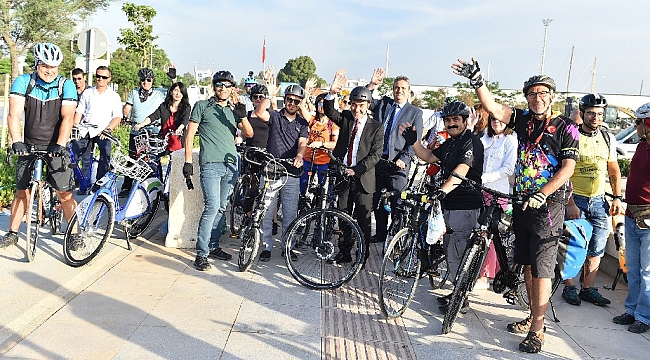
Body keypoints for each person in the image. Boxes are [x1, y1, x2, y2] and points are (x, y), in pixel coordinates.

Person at [452, 58, 579, 353]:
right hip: (522, 202)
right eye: (532, 93)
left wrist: (543, 192)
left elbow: (568, 168)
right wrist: (477, 81)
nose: (538, 98)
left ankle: (538, 330)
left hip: (548, 207)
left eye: (543, 93)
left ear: (552, 96)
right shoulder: (522, 120)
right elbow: (495, 108)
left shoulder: (565, 127)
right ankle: (533, 317)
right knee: (528, 265)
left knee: (543, 267)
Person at [401, 100, 484, 312]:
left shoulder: (471, 142)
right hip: (448, 203)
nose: (451, 124)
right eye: (447, 120)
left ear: (465, 121)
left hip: (465, 205)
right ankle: (458, 292)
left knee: (457, 252)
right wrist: (413, 141)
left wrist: (444, 189)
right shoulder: (451, 142)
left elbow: (462, 169)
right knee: (449, 250)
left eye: (455, 120)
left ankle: (461, 299)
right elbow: (429, 156)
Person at [1, 43, 78, 248]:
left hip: (56, 147)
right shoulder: (24, 82)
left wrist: (60, 144)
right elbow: (14, 114)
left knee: (64, 193)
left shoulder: (65, 85)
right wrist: (17, 141)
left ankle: (74, 233)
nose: (50, 70)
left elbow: (68, 118)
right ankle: (13, 232)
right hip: (29, 145)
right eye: (45, 65)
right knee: (22, 191)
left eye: (54, 66)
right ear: (36, 64)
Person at [183, 70, 253, 271]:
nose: (223, 88)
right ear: (214, 87)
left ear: (232, 89)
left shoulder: (233, 110)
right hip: (210, 164)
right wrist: (188, 161)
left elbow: (249, 133)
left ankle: (213, 246)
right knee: (212, 207)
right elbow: (189, 136)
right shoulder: (202, 106)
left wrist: (242, 116)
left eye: (227, 85)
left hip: (231, 165)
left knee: (223, 208)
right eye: (219, 84)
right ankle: (201, 253)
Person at [563, 94, 623, 306]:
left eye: (599, 114)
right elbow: (564, 170)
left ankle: (587, 288)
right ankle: (569, 286)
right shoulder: (572, 135)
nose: (595, 117)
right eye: (590, 113)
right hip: (574, 198)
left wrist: (616, 197)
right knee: (572, 244)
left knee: (597, 246)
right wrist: (569, 203)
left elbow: (613, 168)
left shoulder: (608, 137)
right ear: (582, 113)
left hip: (598, 200)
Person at [324, 71, 383, 266]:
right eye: (354, 105)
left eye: (361, 105)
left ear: (368, 106)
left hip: (363, 178)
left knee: (364, 220)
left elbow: (375, 155)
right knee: (343, 216)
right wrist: (331, 93)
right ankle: (344, 251)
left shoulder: (376, 127)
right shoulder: (347, 119)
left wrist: (356, 170)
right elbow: (330, 112)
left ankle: (362, 254)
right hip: (343, 175)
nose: (357, 109)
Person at [366, 68, 423, 245]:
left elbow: (415, 141)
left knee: (397, 201)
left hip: (398, 163)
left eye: (403, 88)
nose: (399, 91)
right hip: (379, 160)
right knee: (377, 200)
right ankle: (381, 233)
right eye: (397, 88)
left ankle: (396, 238)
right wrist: (372, 84)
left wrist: (404, 159)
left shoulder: (415, 112)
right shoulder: (384, 104)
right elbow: (365, 100)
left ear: (409, 91)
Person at [254, 83, 309, 262]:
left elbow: (302, 143)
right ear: (284, 100)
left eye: (296, 101)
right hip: (271, 170)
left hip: (291, 173)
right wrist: (269, 94)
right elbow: (260, 113)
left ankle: (288, 246)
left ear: (300, 103)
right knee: (267, 213)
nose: (292, 103)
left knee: (290, 214)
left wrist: (300, 155)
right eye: (289, 100)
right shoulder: (275, 116)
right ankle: (266, 246)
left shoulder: (302, 123)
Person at [611, 104, 650, 334]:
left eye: (638, 122)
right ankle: (632, 310)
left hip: (648, 218)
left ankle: (644, 317)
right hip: (632, 215)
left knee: (647, 271)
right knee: (633, 269)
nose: (634, 126)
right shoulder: (641, 147)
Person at [475, 112, 518, 289]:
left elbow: (508, 168)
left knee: (490, 235)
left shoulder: (510, 140)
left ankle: (486, 276)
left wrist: (484, 177)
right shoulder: (486, 138)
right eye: (493, 119)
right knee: (480, 233)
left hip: (497, 192)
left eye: (500, 120)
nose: (496, 123)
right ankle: (494, 270)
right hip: (480, 191)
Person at [72, 66, 123, 195]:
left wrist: (108, 129)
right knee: (76, 154)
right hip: (86, 128)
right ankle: (82, 183)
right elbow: (80, 111)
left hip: (104, 130)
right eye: (98, 76)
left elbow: (118, 116)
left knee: (105, 156)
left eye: (104, 77)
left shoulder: (114, 96)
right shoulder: (88, 93)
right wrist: (74, 126)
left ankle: (100, 185)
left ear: (109, 79)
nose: (100, 79)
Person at [120, 67, 166, 197]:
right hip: (136, 130)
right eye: (142, 80)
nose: (145, 82)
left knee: (153, 159)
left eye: (148, 80)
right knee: (132, 158)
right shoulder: (134, 92)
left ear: (153, 81)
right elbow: (128, 107)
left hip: (153, 130)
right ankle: (126, 187)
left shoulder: (160, 93)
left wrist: (173, 78)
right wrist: (125, 115)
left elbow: (176, 93)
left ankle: (158, 186)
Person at [299, 93, 340, 194]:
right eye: (319, 104)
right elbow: (301, 107)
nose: (321, 107)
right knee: (303, 187)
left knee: (326, 191)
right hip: (308, 160)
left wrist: (321, 143)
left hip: (324, 162)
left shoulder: (333, 125)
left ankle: (325, 208)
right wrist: (307, 91)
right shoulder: (312, 120)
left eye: (324, 104)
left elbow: (335, 144)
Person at [136, 82, 191, 152]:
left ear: (183, 94)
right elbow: (153, 116)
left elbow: (185, 121)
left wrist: (180, 128)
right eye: (176, 90)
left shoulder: (186, 108)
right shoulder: (164, 106)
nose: (178, 94)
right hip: (164, 142)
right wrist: (141, 124)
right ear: (171, 92)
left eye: (181, 92)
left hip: (179, 142)